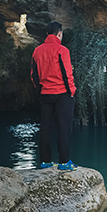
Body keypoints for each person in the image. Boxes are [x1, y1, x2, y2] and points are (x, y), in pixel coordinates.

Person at [30, 21, 78, 170]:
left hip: (45, 94)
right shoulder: (62, 50)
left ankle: (45, 161)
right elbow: (67, 73)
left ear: (46, 34)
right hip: (62, 94)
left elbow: (33, 75)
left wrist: (40, 91)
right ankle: (64, 162)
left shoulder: (37, 51)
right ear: (59, 33)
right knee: (64, 128)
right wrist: (72, 91)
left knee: (45, 128)